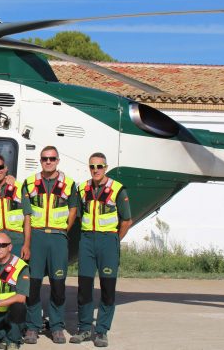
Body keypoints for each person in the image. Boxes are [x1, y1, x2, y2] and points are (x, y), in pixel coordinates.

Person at [69, 153, 133, 348]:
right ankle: (84, 328)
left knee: (107, 290)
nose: (95, 170)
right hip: (87, 240)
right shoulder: (82, 188)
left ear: (106, 167)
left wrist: (114, 240)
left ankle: (102, 330)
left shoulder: (117, 189)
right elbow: (78, 214)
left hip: (108, 241)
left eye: (99, 166)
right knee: (84, 288)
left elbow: (127, 220)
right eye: (92, 166)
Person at [22, 146, 78, 345]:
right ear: (40, 160)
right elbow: (26, 215)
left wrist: (63, 229)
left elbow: (73, 209)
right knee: (34, 285)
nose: (48, 162)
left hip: (57, 237)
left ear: (58, 160)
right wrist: (27, 242)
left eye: (52, 158)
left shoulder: (69, 184)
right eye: (45, 158)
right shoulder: (29, 183)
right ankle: (32, 326)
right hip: (36, 236)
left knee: (58, 285)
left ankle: (57, 327)